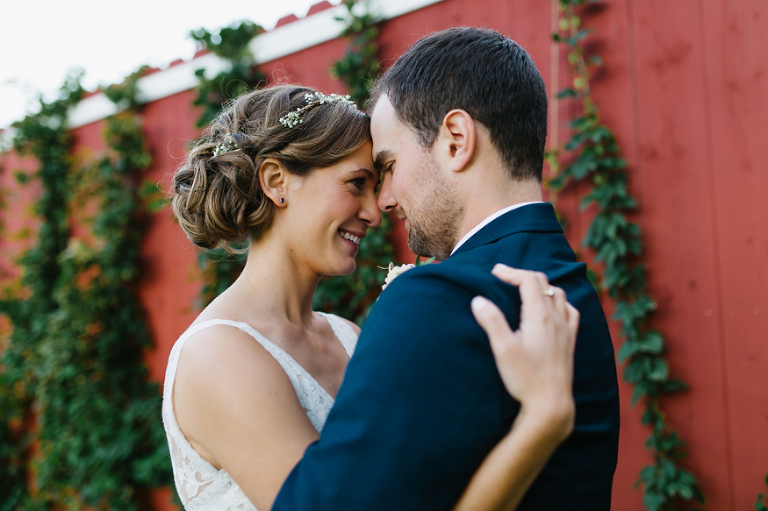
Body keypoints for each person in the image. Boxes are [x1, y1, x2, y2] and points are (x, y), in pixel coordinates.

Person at [163, 84, 580, 511]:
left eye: (377, 184)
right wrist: (539, 423)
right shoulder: (217, 355)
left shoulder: (347, 336)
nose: (375, 212)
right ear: (276, 182)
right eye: (356, 183)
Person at [269, 27, 620, 511]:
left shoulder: (443, 300)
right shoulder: (567, 286)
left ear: (456, 140)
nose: (385, 200)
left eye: (388, 166)